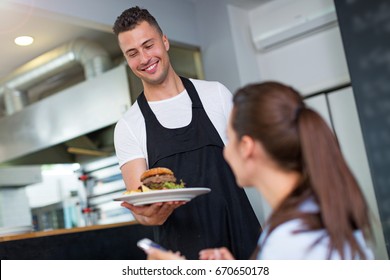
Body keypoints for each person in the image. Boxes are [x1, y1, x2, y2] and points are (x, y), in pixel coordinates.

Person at [147, 81, 374, 260]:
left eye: (230, 139)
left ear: (246, 147)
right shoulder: (315, 213)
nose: (225, 152)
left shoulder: (291, 239)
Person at [112, 6, 260, 260]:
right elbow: (140, 203)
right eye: (133, 53)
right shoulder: (128, 125)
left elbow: (253, 162)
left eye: (149, 45)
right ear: (127, 59)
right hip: (183, 257)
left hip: (243, 241)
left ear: (165, 41)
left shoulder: (216, 95)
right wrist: (148, 215)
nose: (144, 58)